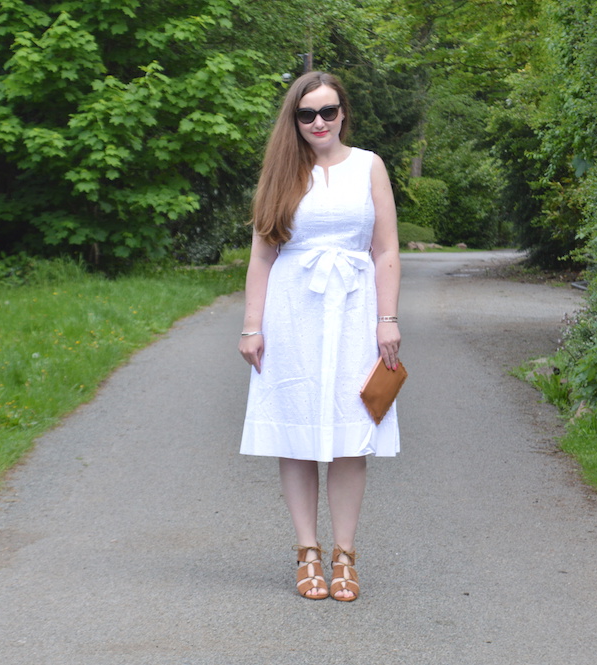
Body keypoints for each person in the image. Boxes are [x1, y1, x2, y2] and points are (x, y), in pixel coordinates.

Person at [238, 71, 401, 602]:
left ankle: (345, 555)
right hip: (294, 312)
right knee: (300, 432)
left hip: (356, 312)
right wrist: (252, 327)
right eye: (307, 114)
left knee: (352, 432)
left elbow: (386, 250)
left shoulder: (369, 166)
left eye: (328, 111)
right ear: (295, 120)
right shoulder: (283, 172)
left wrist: (387, 318)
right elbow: (263, 255)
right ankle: (307, 552)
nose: (318, 123)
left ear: (343, 113)